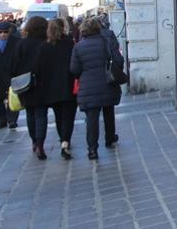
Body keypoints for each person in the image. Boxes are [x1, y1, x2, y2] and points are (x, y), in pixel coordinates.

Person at [71, 18, 122, 160]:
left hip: (88, 86)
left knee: (92, 118)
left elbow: (74, 69)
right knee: (108, 110)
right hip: (107, 82)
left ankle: (92, 149)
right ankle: (110, 137)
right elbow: (118, 59)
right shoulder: (106, 42)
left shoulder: (78, 47)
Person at [37, 19, 77, 159]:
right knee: (68, 116)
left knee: (59, 116)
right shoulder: (69, 43)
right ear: (63, 28)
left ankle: (63, 139)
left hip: (50, 89)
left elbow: (39, 69)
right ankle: (65, 142)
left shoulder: (43, 46)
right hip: (68, 85)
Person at [12, 16, 50, 160]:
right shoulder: (46, 43)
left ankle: (34, 140)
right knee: (41, 114)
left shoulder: (22, 44)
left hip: (25, 83)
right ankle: (40, 142)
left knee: (30, 113)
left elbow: (14, 64)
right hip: (42, 83)